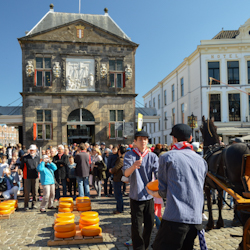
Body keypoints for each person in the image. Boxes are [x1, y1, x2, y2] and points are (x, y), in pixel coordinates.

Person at [146, 124, 208, 250]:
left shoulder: (166, 157)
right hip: (196, 219)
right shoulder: (201, 160)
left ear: (174, 139)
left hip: (175, 217)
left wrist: (150, 192)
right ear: (190, 138)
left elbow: (162, 191)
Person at [122, 131, 159, 250]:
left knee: (149, 226)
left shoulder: (152, 156)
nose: (143, 141)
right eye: (140, 139)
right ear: (135, 142)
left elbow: (158, 174)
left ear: (147, 141)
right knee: (137, 227)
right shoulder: (129, 155)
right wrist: (133, 166)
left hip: (149, 196)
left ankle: (145, 246)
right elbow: (126, 173)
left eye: (145, 139)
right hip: (136, 196)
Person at [20, 144, 40, 210]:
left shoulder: (38, 158)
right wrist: (20, 172)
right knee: (27, 192)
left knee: (35, 191)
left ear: (35, 150)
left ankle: (34, 204)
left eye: (33, 150)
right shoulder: (25, 158)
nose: (32, 151)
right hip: (27, 177)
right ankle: (26, 205)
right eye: (31, 150)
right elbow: (21, 167)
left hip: (35, 176)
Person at [110, 146, 126, 214]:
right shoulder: (121, 158)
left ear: (119, 151)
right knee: (118, 194)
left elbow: (116, 168)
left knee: (118, 195)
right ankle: (119, 208)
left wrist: (111, 170)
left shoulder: (121, 159)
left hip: (118, 178)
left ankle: (119, 209)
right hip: (118, 178)